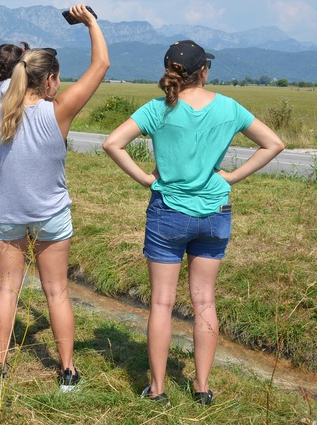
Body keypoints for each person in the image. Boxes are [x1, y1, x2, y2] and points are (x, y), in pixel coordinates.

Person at [102, 39, 284, 406]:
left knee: (161, 303)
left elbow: (112, 143)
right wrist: (230, 178)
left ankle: (157, 390)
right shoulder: (229, 108)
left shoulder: (158, 109)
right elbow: (273, 144)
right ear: (204, 71)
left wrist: (146, 179)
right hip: (215, 213)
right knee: (204, 302)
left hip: (168, 211)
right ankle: (201, 388)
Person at [0, 5, 108, 391]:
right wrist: (91, 23)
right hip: (51, 213)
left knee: (6, 290)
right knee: (57, 291)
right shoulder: (59, 111)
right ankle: (67, 370)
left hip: (6, 210)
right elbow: (101, 64)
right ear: (50, 81)